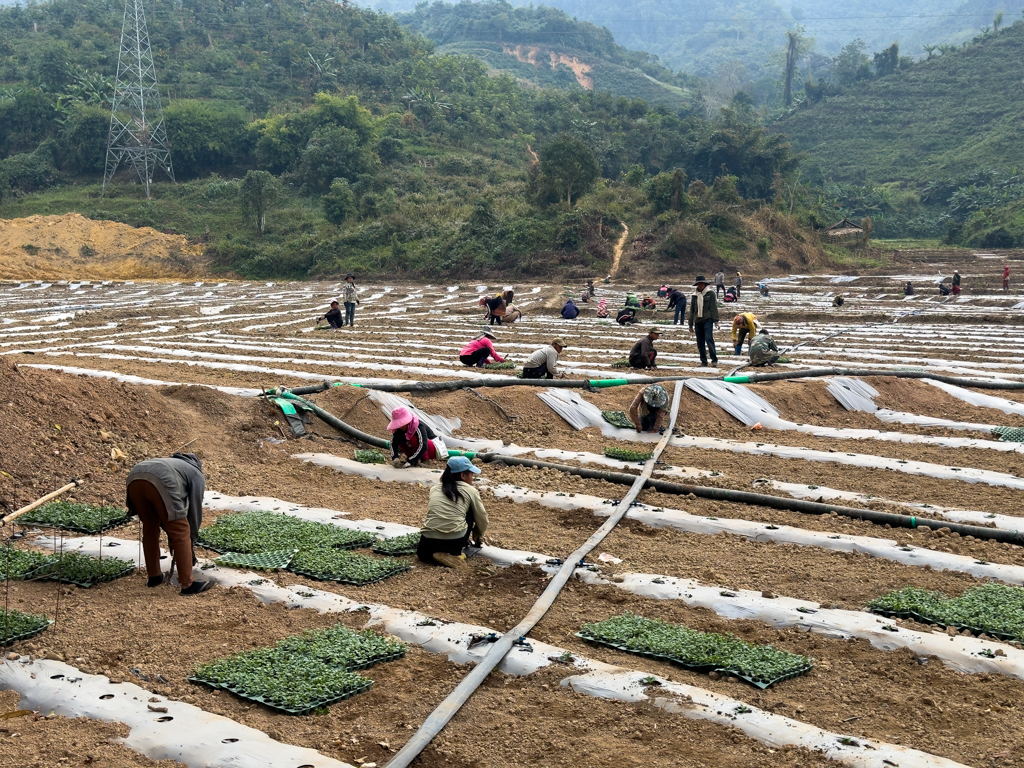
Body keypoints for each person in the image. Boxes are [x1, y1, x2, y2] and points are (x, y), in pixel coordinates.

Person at [126, 453, 211, 595]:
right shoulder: (196, 472)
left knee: (150, 527)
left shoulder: (174, 464)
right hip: (161, 479)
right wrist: (191, 539)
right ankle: (187, 584)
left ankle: (154, 576)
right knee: (181, 530)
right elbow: (195, 510)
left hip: (134, 476)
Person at [417, 456, 488, 569]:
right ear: (463, 475)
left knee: (423, 556)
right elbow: (482, 518)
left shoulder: (435, 488)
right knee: (469, 512)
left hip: (429, 538)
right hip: (454, 539)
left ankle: (437, 555)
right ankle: (454, 555)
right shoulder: (470, 490)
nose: (472, 478)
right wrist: (478, 534)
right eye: (471, 475)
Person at [689, 275, 720, 367]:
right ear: (697, 284)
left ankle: (714, 359)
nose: (700, 285)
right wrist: (690, 324)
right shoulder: (694, 296)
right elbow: (692, 310)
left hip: (708, 320)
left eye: (702, 283)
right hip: (698, 321)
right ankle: (703, 361)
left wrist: (716, 321)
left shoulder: (710, 294)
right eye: (699, 283)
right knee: (700, 342)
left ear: (705, 284)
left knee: (709, 339)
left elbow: (713, 307)